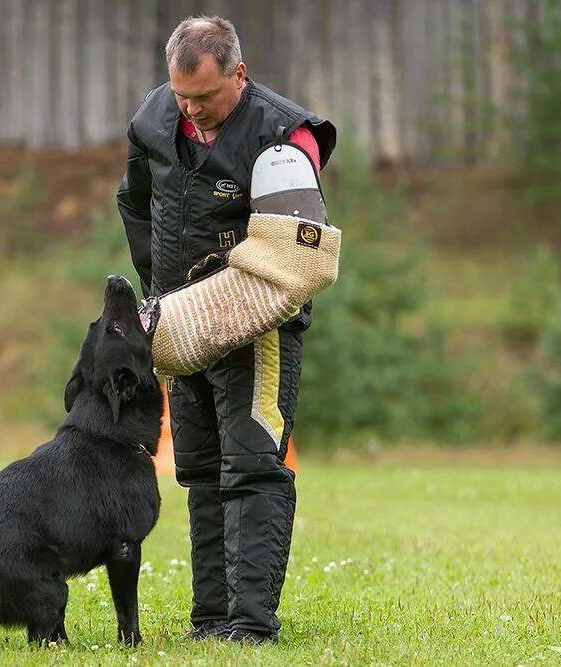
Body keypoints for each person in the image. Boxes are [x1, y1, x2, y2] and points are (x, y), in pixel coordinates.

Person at [117, 15, 336, 645]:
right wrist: (160, 301)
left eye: (205, 97)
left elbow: (299, 252)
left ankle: (250, 623)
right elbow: (134, 202)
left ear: (239, 74)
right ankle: (211, 617)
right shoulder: (154, 120)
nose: (191, 110)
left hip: (257, 330)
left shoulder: (284, 135)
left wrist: (230, 305)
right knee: (200, 469)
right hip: (181, 329)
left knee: (254, 466)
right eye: (181, 96)